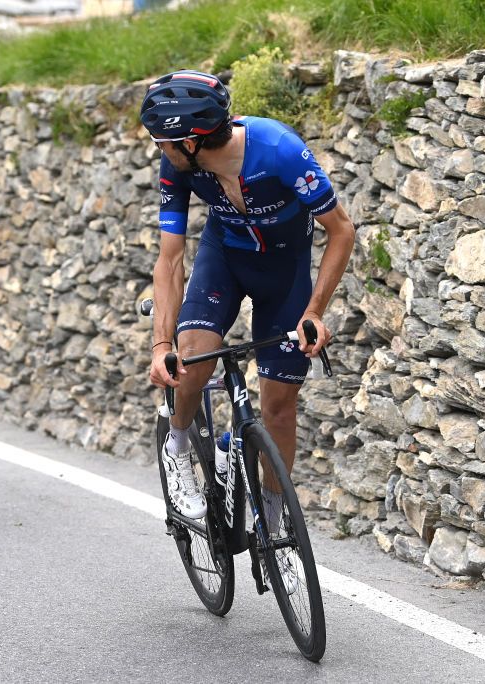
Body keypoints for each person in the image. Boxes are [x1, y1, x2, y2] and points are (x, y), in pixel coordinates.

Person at [140, 70, 355, 520]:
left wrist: (314, 312)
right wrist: (162, 346)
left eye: (163, 140)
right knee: (197, 352)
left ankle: (274, 519)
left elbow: (341, 230)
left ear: (192, 140)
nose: (159, 148)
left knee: (278, 408)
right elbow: (171, 259)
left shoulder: (279, 150)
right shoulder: (176, 166)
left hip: (285, 273)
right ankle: (177, 444)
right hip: (225, 261)